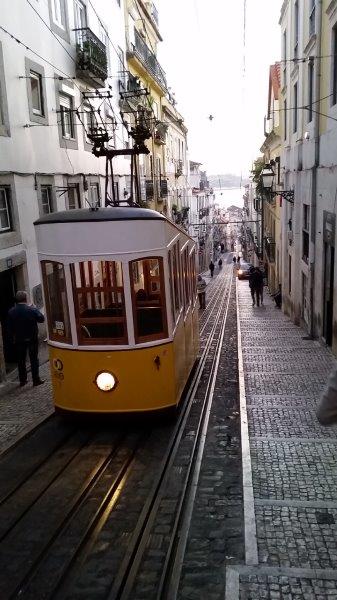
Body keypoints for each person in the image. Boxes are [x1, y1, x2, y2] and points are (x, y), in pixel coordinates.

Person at [8, 291, 45, 387]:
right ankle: (36, 380)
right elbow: (41, 319)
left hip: (19, 339)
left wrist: (12, 338)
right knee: (33, 359)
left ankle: (23, 381)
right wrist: (35, 308)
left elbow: (10, 328)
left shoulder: (11, 311)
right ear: (26, 299)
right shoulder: (31, 309)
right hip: (32, 338)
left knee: (21, 360)